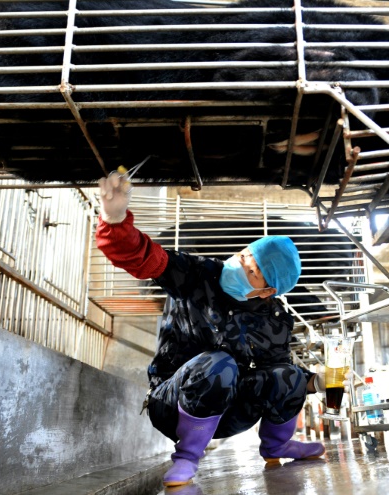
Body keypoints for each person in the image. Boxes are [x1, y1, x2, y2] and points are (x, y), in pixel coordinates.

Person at [95, 171, 327, 487]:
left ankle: (278, 446)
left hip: (230, 413)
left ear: (267, 291)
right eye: (245, 256)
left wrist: (318, 382)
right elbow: (145, 258)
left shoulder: (275, 319)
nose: (241, 266)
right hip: (173, 403)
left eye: (254, 272)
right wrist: (115, 219)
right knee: (220, 363)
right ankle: (187, 457)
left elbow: (277, 377)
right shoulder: (197, 275)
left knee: (288, 375)